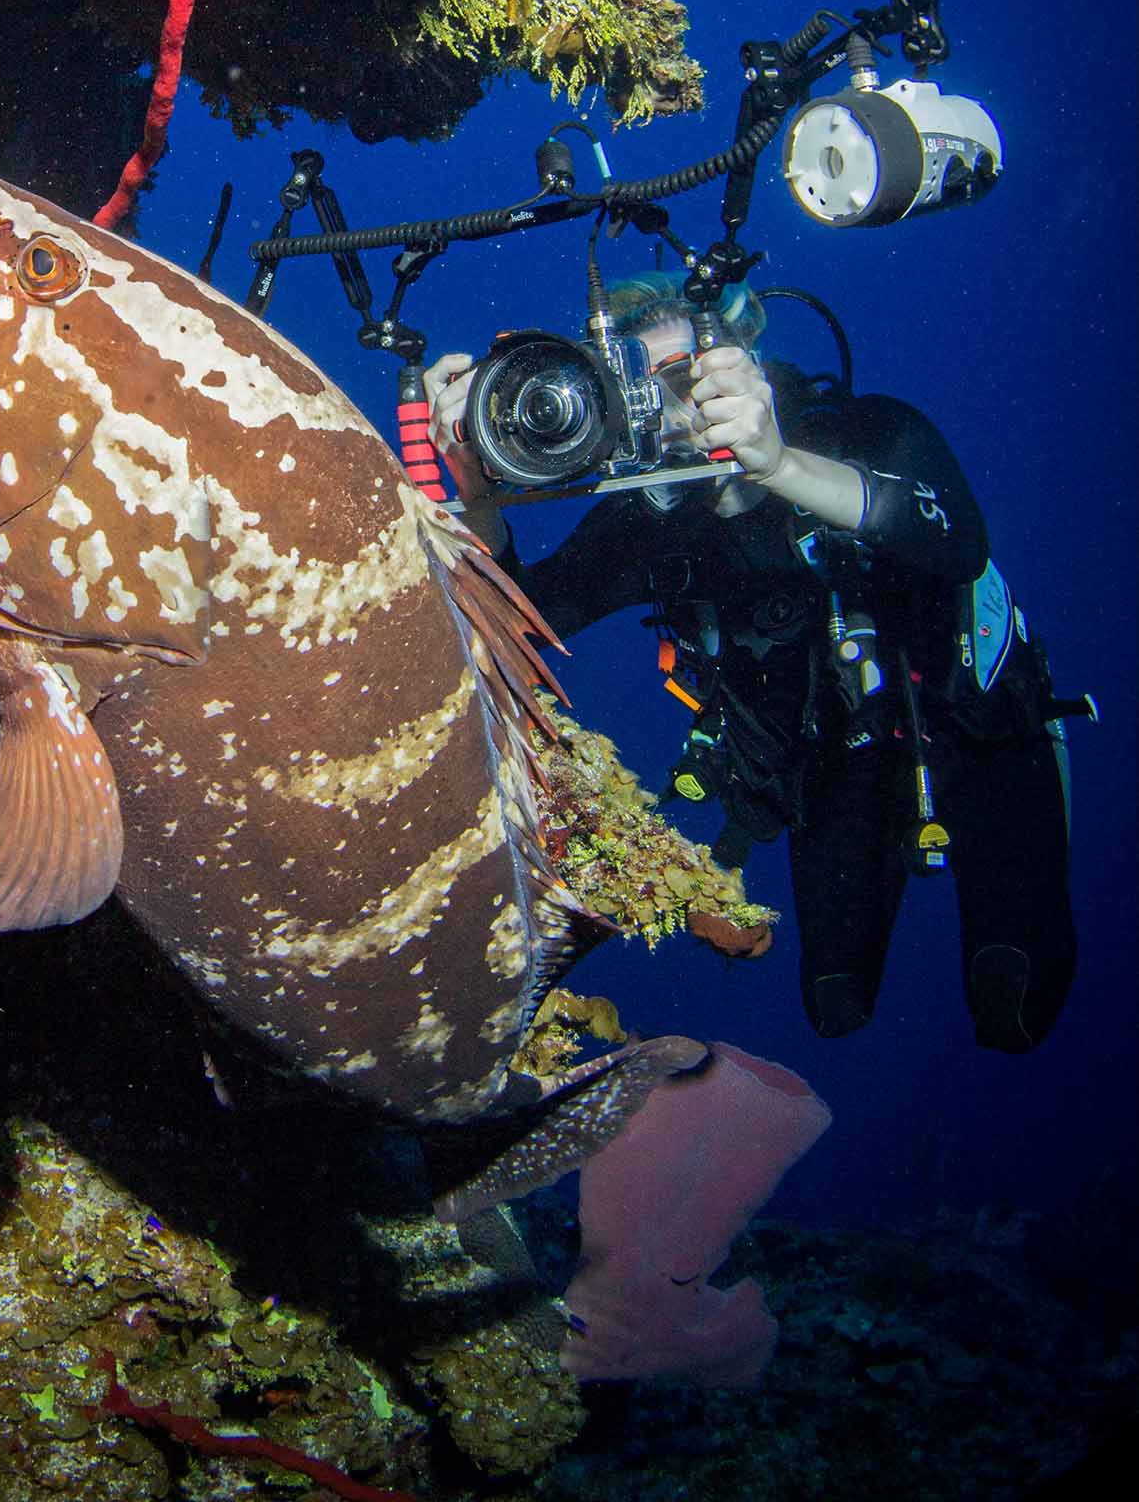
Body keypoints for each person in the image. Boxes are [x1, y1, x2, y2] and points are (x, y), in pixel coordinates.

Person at [425, 271, 1077, 1054]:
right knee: (834, 1003)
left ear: (747, 357)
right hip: (825, 769)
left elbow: (956, 539)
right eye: (637, 384)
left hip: (981, 734)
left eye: (685, 375)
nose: (673, 405)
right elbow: (519, 627)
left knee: (1014, 998)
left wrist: (774, 464)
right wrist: (473, 494)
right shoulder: (648, 522)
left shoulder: (864, 433)